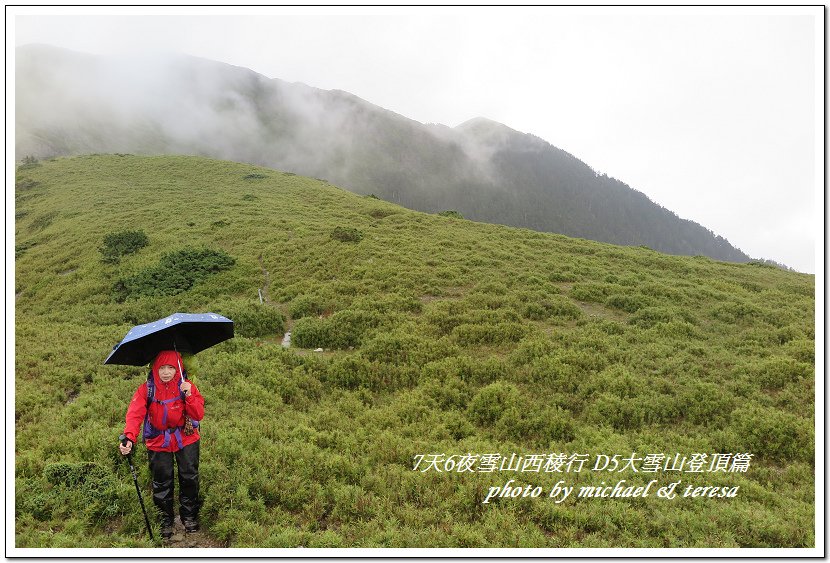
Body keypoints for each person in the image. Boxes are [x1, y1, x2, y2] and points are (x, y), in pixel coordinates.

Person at [119, 350, 204, 538]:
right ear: (155, 368)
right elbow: (134, 414)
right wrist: (129, 437)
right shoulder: (146, 389)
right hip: (158, 441)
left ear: (178, 368)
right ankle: (165, 520)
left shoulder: (187, 386)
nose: (166, 372)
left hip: (186, 437)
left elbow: (198, 414)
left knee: (189, 477)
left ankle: (189, 516)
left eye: (171, 368)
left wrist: (189, 395)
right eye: (162, 367)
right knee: (161, 481)